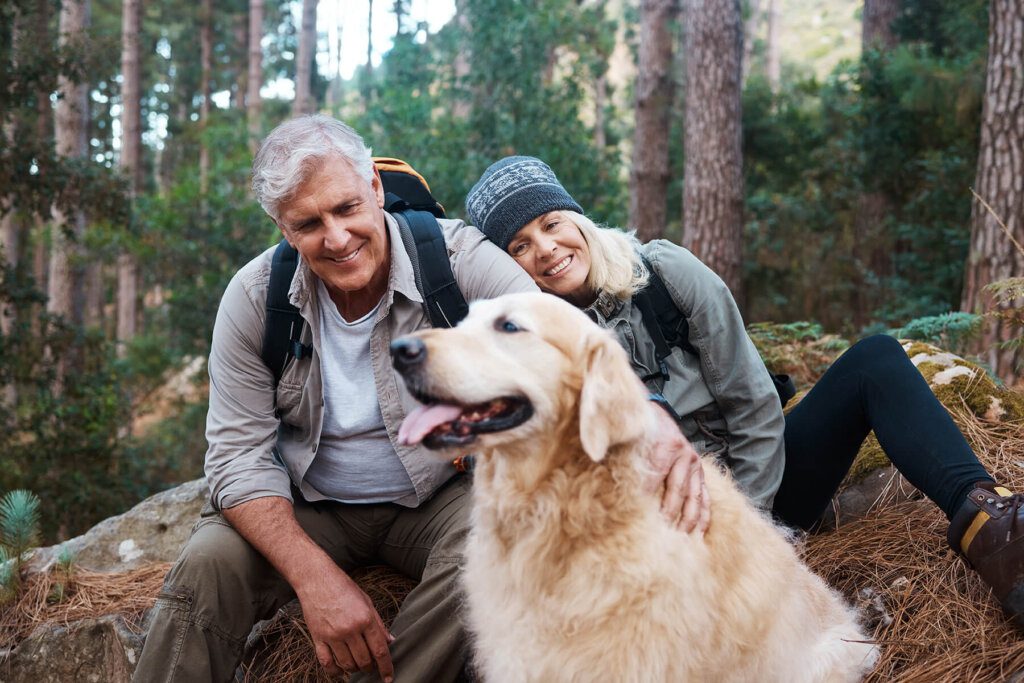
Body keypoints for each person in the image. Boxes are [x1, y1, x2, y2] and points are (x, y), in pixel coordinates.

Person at [133, 118, 701, 683]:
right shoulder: (255, 298)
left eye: (348, 208)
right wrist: (316, 579)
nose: (336, 237)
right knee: (210, 564)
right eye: (309, 224)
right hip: (310, 503)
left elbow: (560, 339)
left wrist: (650, 411)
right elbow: (236, 459)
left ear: (376, 189)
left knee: (501, 545)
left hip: (440, 494)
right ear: (282, 228)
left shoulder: (457, 259)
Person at [465, 154, 1024, 629]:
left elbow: (753, 404)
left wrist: (752, 531)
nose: (545, 247)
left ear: (578, 219)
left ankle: (992, 527)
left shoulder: (662, 273)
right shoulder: (536, 350)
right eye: (519, 245)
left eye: (551, 222)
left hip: (763, 489)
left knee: (874, 359)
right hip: (664, 537)